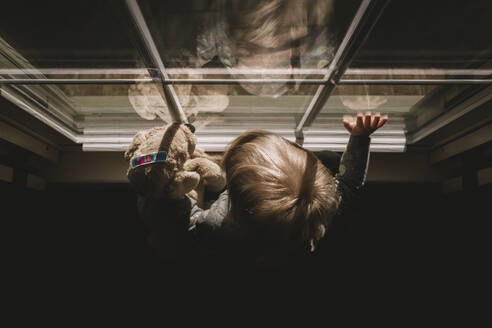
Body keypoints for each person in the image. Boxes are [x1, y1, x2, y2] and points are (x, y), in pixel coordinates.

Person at [147, 112, 387, 269]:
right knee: (329, 158)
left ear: (236, 200)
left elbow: (188, 224)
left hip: (224, 253)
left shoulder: (215, 226)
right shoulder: (318, 216)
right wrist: (360, 138)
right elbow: (350, 184)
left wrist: (178, 193)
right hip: (283, 253)